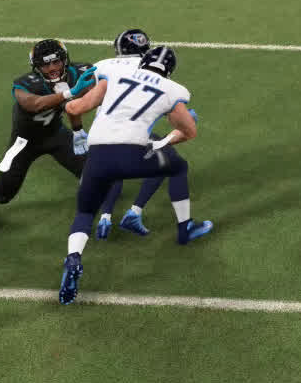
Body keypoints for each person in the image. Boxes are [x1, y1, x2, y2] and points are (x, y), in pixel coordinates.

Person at [57, 45, 212, 304]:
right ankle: (184, 228)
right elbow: (189, 131)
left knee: (84, 213)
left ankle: (73, 257)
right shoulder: (172, 89)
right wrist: (162, 143)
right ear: (169, 71)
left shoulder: (113, 75)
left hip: (97, 156)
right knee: (177, 167)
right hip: (133, 155)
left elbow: (75, 109)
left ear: (142, 62)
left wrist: (72, 109)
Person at [0, 39, 99, 233]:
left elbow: (88, 92)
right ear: (36, 67)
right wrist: (71, 93)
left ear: (65, 60)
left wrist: (78, 129)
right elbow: (35, 104)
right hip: (24, 143)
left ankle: (93, 206)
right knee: (4, 194)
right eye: (45, 64)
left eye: (56, 62)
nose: (52, 68)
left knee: (93, 173)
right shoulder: (25, 84)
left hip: (56, 134)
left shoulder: (78, 72)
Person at [89, 28, 163, 238]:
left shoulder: (100, 66)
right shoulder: (148, 69)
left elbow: (86, 94)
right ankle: (135, 212)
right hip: (131, 134)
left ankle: (105, 218)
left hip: (100, 135)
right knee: (163, 158)